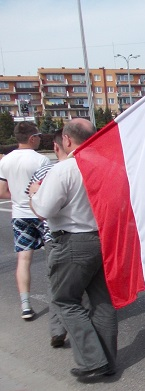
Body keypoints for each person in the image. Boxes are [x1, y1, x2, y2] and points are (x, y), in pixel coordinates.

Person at [29, 119, 118, 381]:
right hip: (101, 238)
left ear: (67, 140)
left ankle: (92, 360)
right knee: (101, 301)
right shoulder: (104, 165)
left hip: (72, 241)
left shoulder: (64, 169)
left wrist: (35, 193)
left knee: (65, 300)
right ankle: (108, 361)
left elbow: (44, 210)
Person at [0, 122, 50, 320]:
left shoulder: (5, 161)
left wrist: (18, 196)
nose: (39, 139)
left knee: (23, 259)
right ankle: (59, 300)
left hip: (19, 215)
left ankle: (26, 306)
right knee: (53, 258)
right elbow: (47, 189)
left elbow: (2, 192)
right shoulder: (41, 160)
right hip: (40, 214)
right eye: (38, 135)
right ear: (31, 138)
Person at [23, 129, 68, 347]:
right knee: (88, 285)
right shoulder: (88, 168)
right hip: (87, 235)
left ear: (56, 146)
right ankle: (86, 327)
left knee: (56, 284)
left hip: (54, 236)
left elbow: (38, 207)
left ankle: (58, 328)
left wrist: (34, 195)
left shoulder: (44, 172)